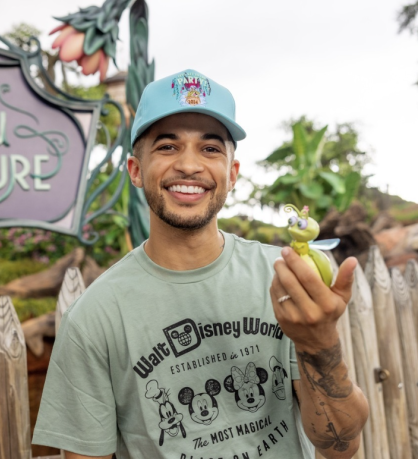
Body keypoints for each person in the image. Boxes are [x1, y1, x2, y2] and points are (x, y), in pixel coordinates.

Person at [32, 68, 368, 459]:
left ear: (232, 174)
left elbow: (340, 445)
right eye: (167, 146)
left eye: (210, 149)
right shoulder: (94, 317)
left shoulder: (282, 278)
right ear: (136, 170)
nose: (190, 165)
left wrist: (319, 344)